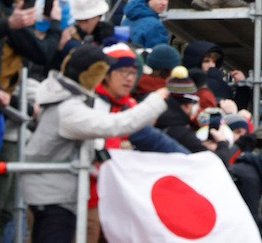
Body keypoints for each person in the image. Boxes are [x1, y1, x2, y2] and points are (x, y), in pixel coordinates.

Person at [22, 45, 171, 243]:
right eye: (105, 71)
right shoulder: (70, 109)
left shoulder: (65, 98)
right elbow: (116, 125)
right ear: (88, 75)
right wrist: (155, 102)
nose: (129, 78)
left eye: (132, 73)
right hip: (53, 196)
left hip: (57, 192)